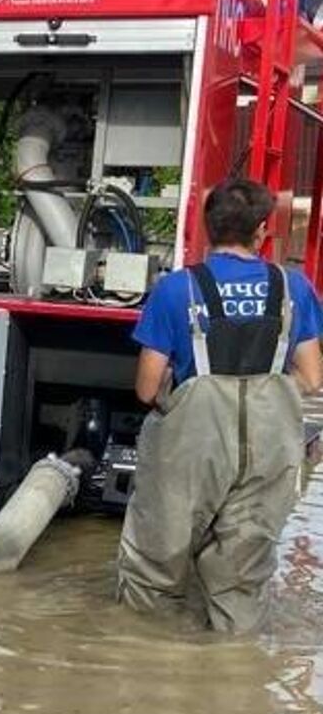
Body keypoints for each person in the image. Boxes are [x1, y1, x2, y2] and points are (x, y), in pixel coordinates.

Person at [117, 178, 323, 633]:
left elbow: (148, 389)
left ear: (207, 228)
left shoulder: (176, 289)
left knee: (155, 568)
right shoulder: (294, 287)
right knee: (240, 579)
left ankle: (141, 671)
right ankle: (232, 683)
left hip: (195, 441)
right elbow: (312, 378)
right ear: (263, 230)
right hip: (271, 444)